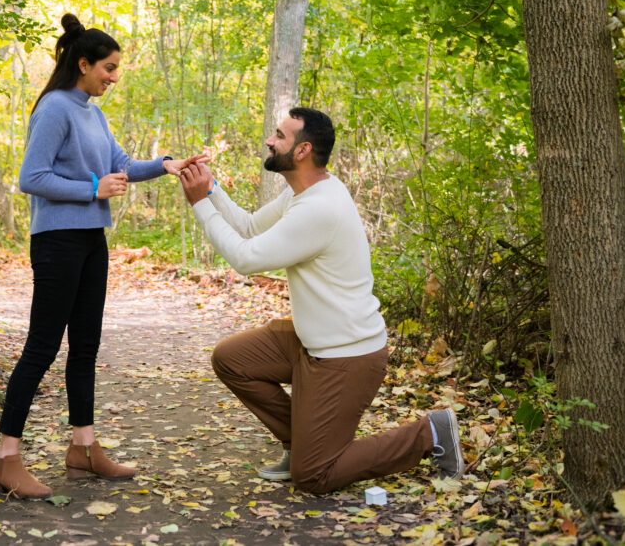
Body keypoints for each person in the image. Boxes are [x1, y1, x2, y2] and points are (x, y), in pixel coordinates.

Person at [177, 107, 464, 495]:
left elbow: (246, 258)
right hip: (313, 341)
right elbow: (246, 226)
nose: (269, 140)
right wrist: (211, 189)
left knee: (314, 476)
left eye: (279, 135)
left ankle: (429, 433)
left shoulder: (319, 208)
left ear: (302, 150)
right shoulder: (306, 192)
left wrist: (199, 204)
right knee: (232, 359)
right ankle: (301, 444)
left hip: (346, 355)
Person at [0, 13, 206, 498]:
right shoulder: (55, 109)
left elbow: (121, 165)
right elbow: (31, 178)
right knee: (42, 348)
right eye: (108, 68)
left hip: (91, 240)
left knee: (85, 345)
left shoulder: (92, 111)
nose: (113, 77)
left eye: (116, 70)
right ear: (83, 64)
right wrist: (93, 187)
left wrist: (168, 165)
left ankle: (83, 448)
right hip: (57, 242)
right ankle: (4, 457)